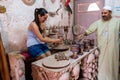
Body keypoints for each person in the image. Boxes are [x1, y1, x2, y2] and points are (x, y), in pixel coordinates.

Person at [77, 6, 120, 80]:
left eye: (105, 13)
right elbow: (89, 30)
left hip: (113, 50)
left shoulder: (117, 22)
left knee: (113, 66)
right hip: (102, 49)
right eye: (102, 13)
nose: (103, 14)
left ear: (110, 13)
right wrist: (83, 34)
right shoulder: (98, 23)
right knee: (102, 66)